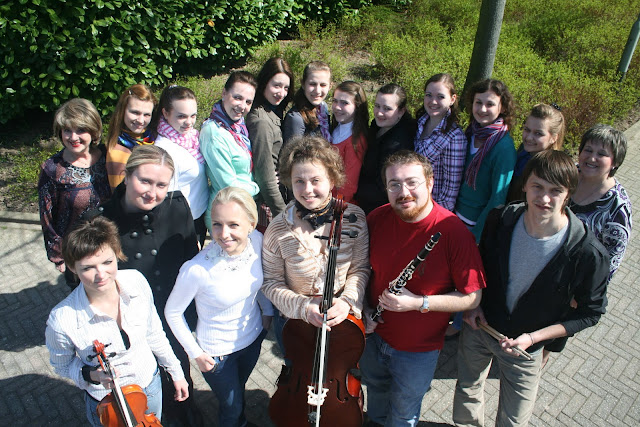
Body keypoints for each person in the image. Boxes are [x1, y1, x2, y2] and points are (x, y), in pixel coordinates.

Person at [452, 150, 610, 427]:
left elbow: (590, 313)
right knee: (467, 391)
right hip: (480, 329)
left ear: (568, 193)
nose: (544, 198)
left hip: (527, 349)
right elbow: (479, 266)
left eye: (555, 190)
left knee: (513, 420)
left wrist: (534, 338)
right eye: (537, 186)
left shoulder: (587, 253)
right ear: (524, 185)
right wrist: (473, 305)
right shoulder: (501, 219)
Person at [361, 150, 486, 427]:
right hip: (373, 335)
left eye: (412, 182)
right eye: (394, 184)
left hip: (417, 351)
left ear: (430, 183)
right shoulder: (377, 218)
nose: (403, 192)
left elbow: (472, 296)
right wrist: (365, 308)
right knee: (377, 397)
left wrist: (419, 303)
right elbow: (363, 271)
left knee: (403, 415)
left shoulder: (453, 232)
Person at [84, 145, 201, 425]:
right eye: (145, 181)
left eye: (161, 185)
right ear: (127, 176)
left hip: (170, 315)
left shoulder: (177, 206)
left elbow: (190, 262)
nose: (152, 192)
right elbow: (83, 283)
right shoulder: (97, 221)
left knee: (179, 377)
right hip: (128, 323)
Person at [45, 216, 189, 427]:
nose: (101, 274)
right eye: (88, 268)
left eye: (107, 262)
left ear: (117, 254)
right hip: (108, 402)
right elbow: (62, 365)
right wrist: (92, 375)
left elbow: (154, 332)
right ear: (72, 268)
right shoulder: (62, 319)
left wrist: (176, 372)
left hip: (150, 384)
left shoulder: (136, 281)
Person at [165, 187, 273, 427]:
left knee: (238, 392)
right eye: (217, 224)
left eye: (233, 225)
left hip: (253, 340)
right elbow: (172, 313)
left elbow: (260, 282)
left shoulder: (257, 241)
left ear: (251, 224)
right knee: (231, 408)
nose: (224, 234)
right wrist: (196, 353)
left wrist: (267, 312)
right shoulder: (196, 270)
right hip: (218, 355)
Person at [262, 135, 370, 363]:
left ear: (332, 179)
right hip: (295, 325)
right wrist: (303, 307)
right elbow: (271, 283)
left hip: (342, 321)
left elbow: (359, 269)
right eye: (299, 181)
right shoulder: (278, 229)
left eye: (315, 180)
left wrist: (347, 301)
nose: (307, 190)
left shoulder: (354, 218)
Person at [38, 98, 111, 287]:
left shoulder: (108, 157)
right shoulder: (53, 169)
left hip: (110, 247)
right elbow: (47, 217)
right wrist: (59, 256)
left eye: (81, 130)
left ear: (93, 130)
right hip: (78, 253)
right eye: (67, 130)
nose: (73, 137)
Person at [454, 78, 517, 242]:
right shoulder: (470, 132)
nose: (482, 109)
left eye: (490, 104)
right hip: (454, 215)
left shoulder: (503, 148)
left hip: (474, 225)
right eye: (478, 102)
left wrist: (477, 235)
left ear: (502, 107)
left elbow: (497, 198)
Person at [570, 124, 632, 279]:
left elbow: (610, 262)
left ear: (615, 162)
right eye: (588, 150)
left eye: (601, 154)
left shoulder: (618, 207)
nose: (592, 158)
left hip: (575, 280)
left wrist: (585, 290)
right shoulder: (568, 174)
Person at [200, 71, 260, 232]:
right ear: (224, 93)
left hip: (242, 208)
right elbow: (228, 184)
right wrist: (258, 187)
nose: (242, 106)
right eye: (237, 97)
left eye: (248, 102)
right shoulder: (214, 133)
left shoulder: (238, 127)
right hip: (224, 217)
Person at [152, 85, 209, 246]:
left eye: (193, 116)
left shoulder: (193, 138)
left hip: (199, 217)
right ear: (165, 113)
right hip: (182, 225)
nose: (189, 122)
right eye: (181, 116)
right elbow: (164, 200)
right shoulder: (163, 150)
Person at [246, 57, 294, 229]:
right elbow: (265, 178)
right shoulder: (261, 122)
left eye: (286, 88)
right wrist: (284, 216)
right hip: (268, 208)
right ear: (264, 83)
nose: (281, 93)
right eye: (276, 86)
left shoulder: (274, 111)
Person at [356, 83, 416, 215]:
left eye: (387, 108)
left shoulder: (399, 143)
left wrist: (354, 190)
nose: (379, 113)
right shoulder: (378, 125)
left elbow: (384, 187)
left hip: (378, 209)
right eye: (377, 106)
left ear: (401, 111)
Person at [413, 73, 467, 211]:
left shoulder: (454, 137)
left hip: (431, 209)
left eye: (440, 97)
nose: (433, 101)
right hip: (411, 203)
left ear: (452, 99)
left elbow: (450, 192)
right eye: (429, 95)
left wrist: (434, 216)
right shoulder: (419, 123)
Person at [507, 103, 566, 202]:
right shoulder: (523, 152)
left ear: (553, 138)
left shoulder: (550, 169)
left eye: (538, 133)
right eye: (527, 130)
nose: (529, 138)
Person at [105, 84, 157, 191]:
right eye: (135, 112)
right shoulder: (117, 152)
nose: (141, 120)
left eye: (147, 115)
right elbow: (121, 195)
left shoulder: (151, 138)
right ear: (122, 111)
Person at [330, 80, 369, 204]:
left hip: (339, 204)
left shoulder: (356, 140)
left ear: (357, 106)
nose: (337, 107)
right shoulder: (334, 128)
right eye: (335, 101)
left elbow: (349, 184)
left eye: (344, 103)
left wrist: (336, 207)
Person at [282, 60, 332, 144]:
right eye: (312, 84)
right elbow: (293, 151)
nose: (317, 91)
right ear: (303, 84)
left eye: (323, 85)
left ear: (330, 86)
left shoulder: (323, 108)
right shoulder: (296, 118)